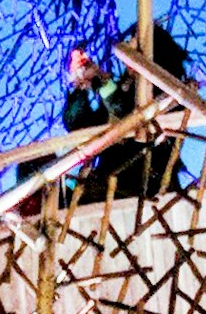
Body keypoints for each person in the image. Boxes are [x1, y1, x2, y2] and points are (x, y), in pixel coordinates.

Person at [60, 19, 193, 203]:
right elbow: (80, 125)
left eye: (134, 43)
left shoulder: (170, 89)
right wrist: (79, 87)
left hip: (140, 183)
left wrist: (102, 82)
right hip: (108, 181)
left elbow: (130, 116)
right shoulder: (124, 86)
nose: (127, 48)